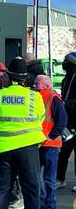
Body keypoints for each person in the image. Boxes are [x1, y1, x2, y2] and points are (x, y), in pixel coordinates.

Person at [0, 57, 46, 209]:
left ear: (8, 75)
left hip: (3, 147)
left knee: (2, 189)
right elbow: (41, 117)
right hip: (28, 147)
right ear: (25, 77)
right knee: (31, 189)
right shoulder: (35, 97)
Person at [34, 75, 67, 209]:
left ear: (46, 85)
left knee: (46, 178)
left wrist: (51, 136)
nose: (34, 85)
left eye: (37, 83)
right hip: (43, 142)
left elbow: (62, 121)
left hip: (48, 143)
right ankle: (46, 204)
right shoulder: (40, 97)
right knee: (44, 177)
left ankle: (48, 204)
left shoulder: (52, 98)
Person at [56, 52, 76, 189]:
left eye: (66, 62)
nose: (64, 65)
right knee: (63, 152)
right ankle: (60, 179)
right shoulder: (66, 79)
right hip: (68, 120)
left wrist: (65, 103)